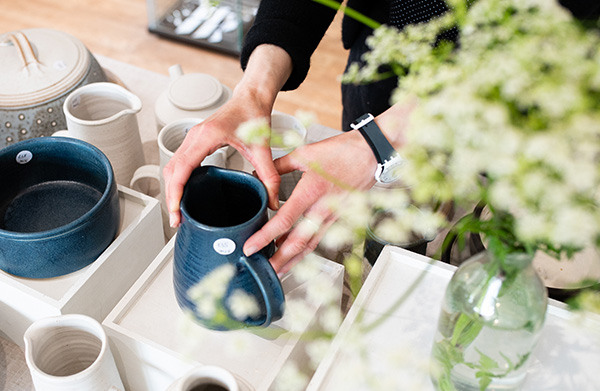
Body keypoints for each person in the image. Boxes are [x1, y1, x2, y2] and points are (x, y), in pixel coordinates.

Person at [164, 0, 598, 275]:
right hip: (387, 59)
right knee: (379, 232)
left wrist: (376, 143)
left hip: (527, 105)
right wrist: (254, 90)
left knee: (485, 244)